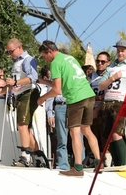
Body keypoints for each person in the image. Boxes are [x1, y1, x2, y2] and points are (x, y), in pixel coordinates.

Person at [37, 40, 102, 177]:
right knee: (86, 130)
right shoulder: (69, 58)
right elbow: (63, 83)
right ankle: (99, 162)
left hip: (75, 97)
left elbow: (56, 90)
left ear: (49, 51)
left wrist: (42, 98)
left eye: (44, 56)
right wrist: (42, 81)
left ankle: (78, 168)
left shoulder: (55, 63)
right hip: (88, 95)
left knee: (74, 132)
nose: (45, 59)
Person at [0, 38, 40, 166]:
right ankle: (38, 156)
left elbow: (33, 77)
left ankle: (25, 157)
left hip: (28, 93)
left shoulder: (28, 59)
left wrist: (15, 82)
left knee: (22, 125)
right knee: (26, 127)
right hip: (20, 94)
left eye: (11, 51)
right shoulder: (16, 62)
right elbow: (16, 81)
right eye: (8, 52)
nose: (10, 54)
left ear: (19, 47)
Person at [83, 52, 111, 167]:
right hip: (91, 110)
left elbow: (109, 95)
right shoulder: (90, 77)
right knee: (89, 137)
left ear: (108, 63)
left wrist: (98, 108)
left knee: (106, 139)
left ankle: (107, 163)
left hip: (104, 111)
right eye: (98, 61)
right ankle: (92, 161)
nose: (100, 63)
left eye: (103, 62)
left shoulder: (110, 75)